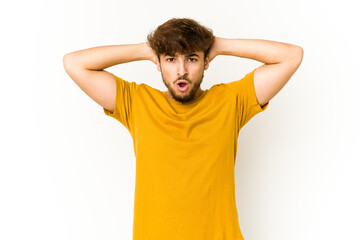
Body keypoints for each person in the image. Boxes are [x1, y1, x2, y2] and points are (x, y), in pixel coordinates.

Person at [63, 17, 303, 240]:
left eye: (191, 58)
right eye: (170, 59)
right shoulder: (136, 102)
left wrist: (218, 45)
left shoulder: (231, 101)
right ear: (158, 63)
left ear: (206, 62)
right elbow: (74, 63)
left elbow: (291, 56)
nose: (181, 70)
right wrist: (146, 49)